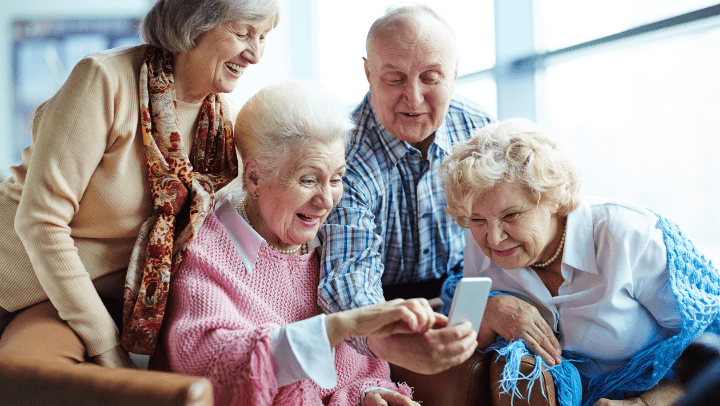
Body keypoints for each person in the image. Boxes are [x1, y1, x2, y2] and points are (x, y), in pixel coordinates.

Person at [0, 0, 279, 368]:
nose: (255, 54)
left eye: (263, 37)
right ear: (192, 23)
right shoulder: (104, 80)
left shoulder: (220, 123)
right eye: (243, 33)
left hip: (108, 303)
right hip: (21, 290)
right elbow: (40, 221)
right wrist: (106, 345)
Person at [165, 80, 430, 406]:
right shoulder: (208, 250)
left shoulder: (334, 244)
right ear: (254, 178)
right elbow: (214, 366)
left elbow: (359, 371)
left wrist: (368, 395)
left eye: (336, 179)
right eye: (308, 179)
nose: (326, 200)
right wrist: (339, 326)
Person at [439, 118, 720, 406]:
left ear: (554, 199)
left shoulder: (627, 236)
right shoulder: (479, 241)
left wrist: (646, 403)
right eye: (476, 219)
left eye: (511, 216)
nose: (494, 238)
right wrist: (490, 308)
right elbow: (458, 329)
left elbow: (709, 353)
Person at [318, 3, 491, 374]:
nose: (413, 98)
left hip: (468, 293)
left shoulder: (481, 130)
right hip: (384, 309)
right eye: (394, 79)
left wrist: (500, 299)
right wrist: (388, 338)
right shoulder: (340, 154)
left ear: (455, 73)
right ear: (368, 73)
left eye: (430, 78)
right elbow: (347, 275)